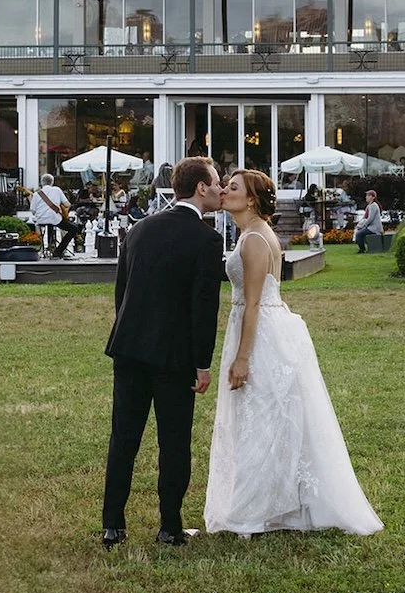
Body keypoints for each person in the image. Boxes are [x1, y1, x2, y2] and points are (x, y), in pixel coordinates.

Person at [204, 169, 382, 537]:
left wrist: (242, 358)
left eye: (233, 188)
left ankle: (253, 510)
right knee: (269, 416)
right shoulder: (253, 234)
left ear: (251, 199)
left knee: (261, 417)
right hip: (267, 325)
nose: (224, 191)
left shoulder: (254, 239)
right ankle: (271, 503)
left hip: (259, 332)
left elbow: (253, 303)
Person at [101, 157, 225, 550]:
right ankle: (170, 526)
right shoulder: (206, 240)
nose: (222, 189)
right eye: (218, 182)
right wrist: (202, 364)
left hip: (129, 348)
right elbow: (203, 309)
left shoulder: (139, 229)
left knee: (123, 437)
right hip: (174, 357)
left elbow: (122, 292)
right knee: (174, 442)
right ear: (201, 188)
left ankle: (112, 525)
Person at [30, 174, 73, 256]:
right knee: (73, 228)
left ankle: (48, 247)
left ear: (41, 183)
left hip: (41, 220)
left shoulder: (36, 194)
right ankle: (58, 251)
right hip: (55, 219)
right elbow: (67, 205)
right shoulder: (57, 190)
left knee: (49, 223)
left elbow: (33, 211)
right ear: (52, 182)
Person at [354, 189, 383, 254]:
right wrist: (359, 224)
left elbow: (370, 219)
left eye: (368, 195)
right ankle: (362, 248)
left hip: (374, 228)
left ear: (372, 197)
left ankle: (362, 249)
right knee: (358, 232)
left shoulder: (374, 206)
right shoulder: (369, 206)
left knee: (359, 234)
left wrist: (363, 226)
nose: (366, 197)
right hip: (370, 227)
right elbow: (364, 217)